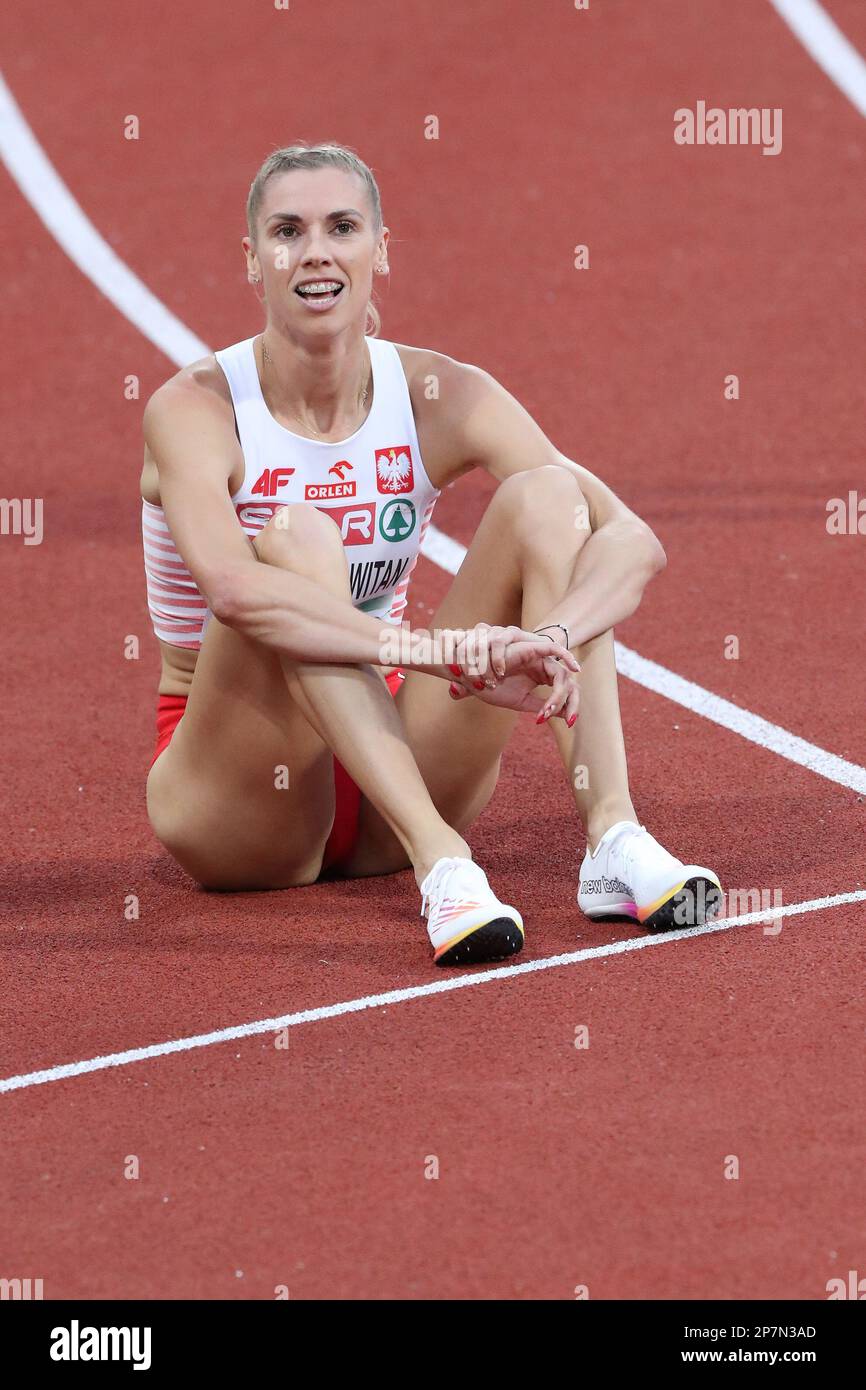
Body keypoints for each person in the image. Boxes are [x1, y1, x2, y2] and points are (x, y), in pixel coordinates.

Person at [141, 142, 721, 967]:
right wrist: (437, 652)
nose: (316, 252)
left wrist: (551, 637)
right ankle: (442, 863)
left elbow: (631, 539)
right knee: (295, 539)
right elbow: (236, 592)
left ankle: (613, 838)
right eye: (287, 231)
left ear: (380, 250)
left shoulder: (438, 393)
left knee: (548, 499)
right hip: (242, 792)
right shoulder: (194, 407)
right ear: (252, 258)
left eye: (342, 227)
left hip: (393, 753)